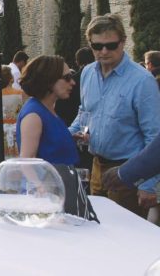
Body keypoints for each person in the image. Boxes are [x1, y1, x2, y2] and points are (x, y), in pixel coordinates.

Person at [69, 14, 160, 217]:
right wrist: (69, 133)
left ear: (123, 42)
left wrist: (148, 184)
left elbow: (154, 135)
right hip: (96, 166)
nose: (103, 51)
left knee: (126, 233)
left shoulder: (142, 80)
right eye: (97, 46)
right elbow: (85, 111)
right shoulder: (88, 73)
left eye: (110, 46)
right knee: (97, 227)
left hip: (129, 170)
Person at [16, 55, 79, 165]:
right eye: (67, 78)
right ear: (49, 80)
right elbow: (27, 163)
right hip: (49, 176)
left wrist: (67, 138)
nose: (73, 82)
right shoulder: (34, 115)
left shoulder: (47, 108)